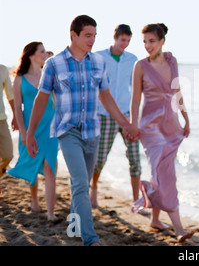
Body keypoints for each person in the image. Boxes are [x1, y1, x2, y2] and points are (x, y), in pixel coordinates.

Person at [26, 15, 134, 246]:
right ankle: (90, 238)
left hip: (92, 131)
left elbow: (105, 96)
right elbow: (41, 99)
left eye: (94, 35)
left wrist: (125, 123)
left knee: (81, 184)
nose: (92, 40)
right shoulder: (54, 64)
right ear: (73, 35)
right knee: (79, 182)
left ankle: (74, 227)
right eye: (87, 35)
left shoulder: (98, 62)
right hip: (68, 131)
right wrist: (30, 133)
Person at [129, 23, 193, 243]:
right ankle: (179, 229)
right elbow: (136, 99)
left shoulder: (172, 61)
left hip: (171, 125)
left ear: (162, 41)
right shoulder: (140, 66)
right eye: (145, 41)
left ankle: (155, 218)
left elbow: (177, 92)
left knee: (161, 172)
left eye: (152, 41)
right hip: (150, 127)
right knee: (165, 174)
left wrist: (186, 118)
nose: (148, 45)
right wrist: (132, 124)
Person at [90, 24, 143, 211]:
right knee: (100, 158)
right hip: (104, 114)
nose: (125, 44)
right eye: (122, 40)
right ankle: (94, 186)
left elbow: (135, 89)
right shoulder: (99, 57)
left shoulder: (133, 60)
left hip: (127, 115)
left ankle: (137, 200)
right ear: (115, 37)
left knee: (135, 157)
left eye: (128, 41)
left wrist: (135, 118)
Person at [8, 42, 59, 221]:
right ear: (31, 55)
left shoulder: (50, 75)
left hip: (51, 127)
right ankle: (35, 200)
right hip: (31, 127)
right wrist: (23, 132)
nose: (45, 54)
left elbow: (56, 100)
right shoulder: (19, 78)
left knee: (50, 167)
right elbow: (17, 108)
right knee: (33, 163)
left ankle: (51, 214)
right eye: (42, 51)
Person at [0, 63, 16, 185]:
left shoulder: (3, 69)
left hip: (2, 119)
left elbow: (10, 95)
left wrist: (15, 115)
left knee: (8, 155)